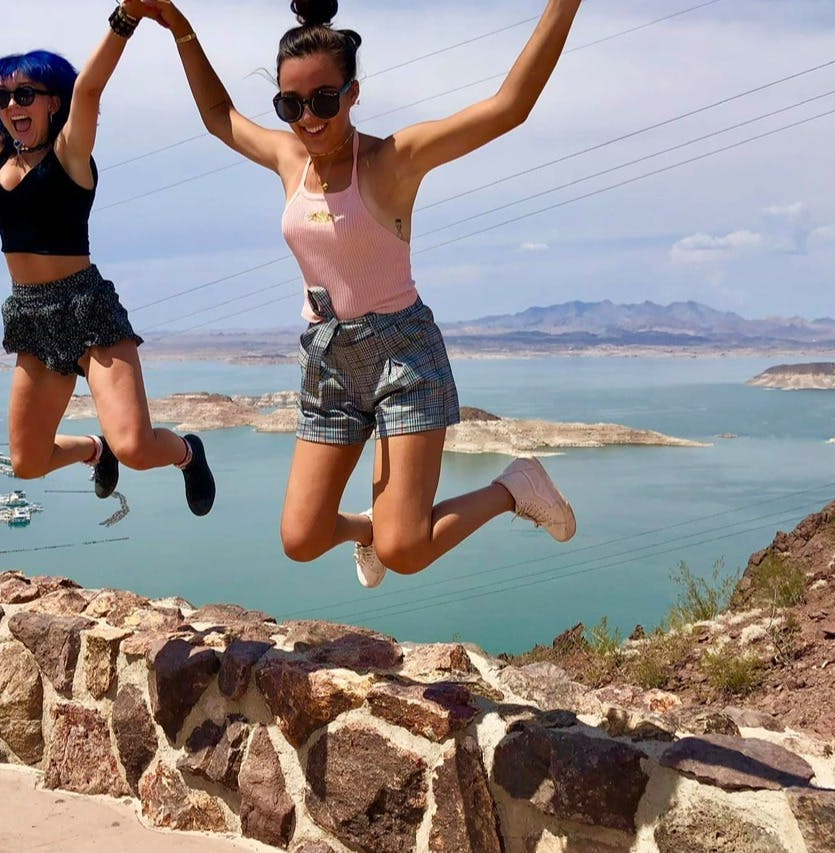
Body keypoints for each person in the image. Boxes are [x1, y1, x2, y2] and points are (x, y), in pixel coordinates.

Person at [138, 0, 580, 584]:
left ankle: (514, 486)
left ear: (352, 93)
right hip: (328, 362)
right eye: (290, 104)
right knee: (301, 539)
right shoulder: (289, 159)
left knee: (405, 552)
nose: (307, 118)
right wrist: (179, 25)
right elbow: (220, 116)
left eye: (324, 100)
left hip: (403, 358)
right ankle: (372, 527)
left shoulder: (390, 161)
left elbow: (509, 106)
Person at [0, 0, 215, 516]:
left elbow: (90, 88)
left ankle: (187, 453)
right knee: (27, 462)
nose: (11, 106)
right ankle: (95, 450)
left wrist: (126, 17)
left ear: (53, 103)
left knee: (137, 448)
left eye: (25, 95)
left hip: (86, 307)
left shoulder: (71, 152)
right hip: (31, 314)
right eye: (2, 97)